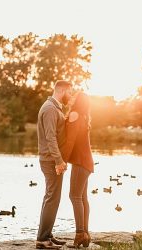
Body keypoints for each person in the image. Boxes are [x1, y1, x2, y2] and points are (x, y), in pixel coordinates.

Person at [36, 80, 72, 249]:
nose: (70, 96)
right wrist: (59, 161)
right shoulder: (50, 109)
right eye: (69, 92)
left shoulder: (54, 107)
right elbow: (50, 138)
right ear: (62, 90)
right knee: (52, 198)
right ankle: (43, 239)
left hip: (51, 159)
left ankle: (46, 234)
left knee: (51, 198)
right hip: (51, 161)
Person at [62, 92, 94, 248]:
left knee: (74, 196)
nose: (72, 97)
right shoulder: (83, 116)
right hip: (86, 163)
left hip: (81, 163)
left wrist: (61, 161)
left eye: (75, 96)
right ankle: (86, 234)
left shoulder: (74, 114)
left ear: (78, 101)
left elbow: (70, 141)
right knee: (82, 198)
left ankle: (80, 234)